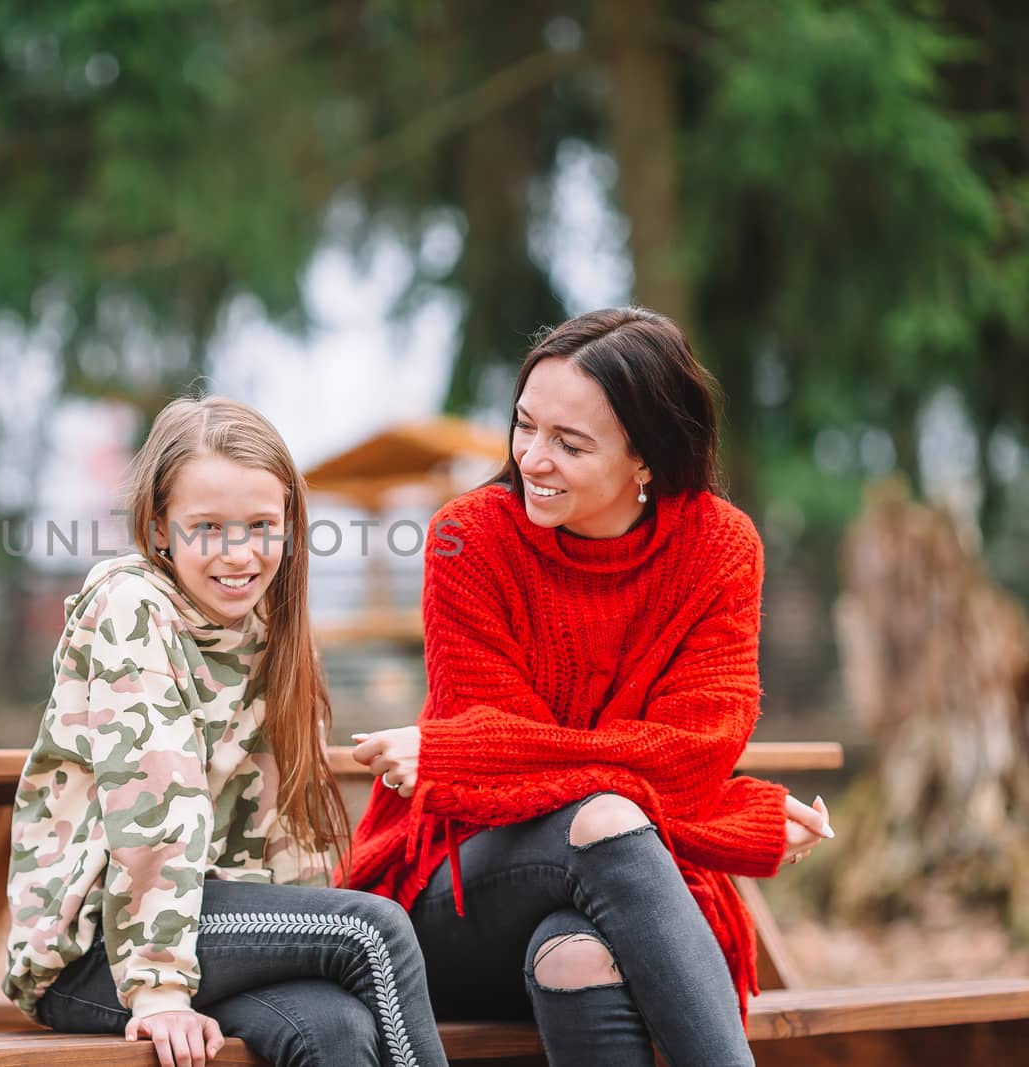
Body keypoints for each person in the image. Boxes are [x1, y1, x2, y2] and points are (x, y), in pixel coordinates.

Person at [349, 308, 834, 1067]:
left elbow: (689, 758)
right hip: (454, 896)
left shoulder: (718, 547)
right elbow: (491, 794)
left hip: (622, 903)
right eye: (524, 425)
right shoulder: (465, 538)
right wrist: (727, 822)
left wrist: (469, 748)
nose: (532, 458)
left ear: (646, 457)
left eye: (570, 444)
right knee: (603, 816)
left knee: (576, 955)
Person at [4, 396, 449, 1067]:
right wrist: (157, 988)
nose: (238, 553)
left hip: (219, 931)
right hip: (100, 944)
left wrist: (299, 935)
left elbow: (287, 817)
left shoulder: (276, 630)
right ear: (159, 527)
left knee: (336, 1031)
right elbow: (156, 804)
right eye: (207, 527)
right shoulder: (133, 607)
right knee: (370, 930)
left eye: (261, 526)